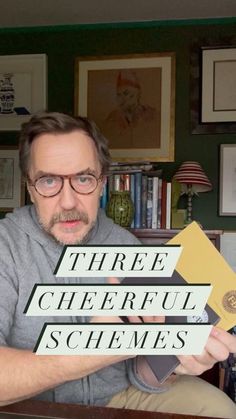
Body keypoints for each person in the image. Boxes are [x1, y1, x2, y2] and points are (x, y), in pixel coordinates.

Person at [0, 112, 235, 418]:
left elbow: (139, 370)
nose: (68, 202)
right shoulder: (6, 246)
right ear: (30, 188)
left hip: (117, 397)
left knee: (218, 407)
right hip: (31, 404)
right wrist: (83, 354)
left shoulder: (125, 244)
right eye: (48, 181)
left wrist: (174, 358)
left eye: (83, 178)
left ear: (101, 183)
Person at [103, 70, 160, 149]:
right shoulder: (112, 119)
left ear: (138, 94)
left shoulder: (152, 115)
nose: (122, 99)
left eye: (126, 93)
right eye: (119, 95)